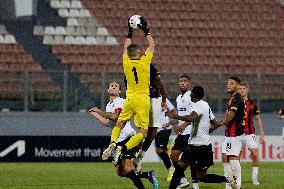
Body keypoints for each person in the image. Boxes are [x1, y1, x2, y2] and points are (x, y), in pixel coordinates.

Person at [89, 81, 158, 189]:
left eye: (116, 86)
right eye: (111, 85)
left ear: (120, 91)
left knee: (126, 167)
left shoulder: (120, 101)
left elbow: (114, 117)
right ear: (108, 90)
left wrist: (98, 111)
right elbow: (110, 123)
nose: (113, 87)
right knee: (120, 172)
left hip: (128, 137)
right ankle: (147, 175)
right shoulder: (109, 105)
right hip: (118, 139)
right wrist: (95, 115)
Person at [167, 86, 227, 189]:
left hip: (203, 147)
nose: (190, 94)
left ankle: (228, 180)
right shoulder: (205, 105)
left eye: (191, 94)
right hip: (192, 146)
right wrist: (210, 129)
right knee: (179, 170)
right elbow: (215, 123)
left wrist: (175, 116)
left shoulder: (199, 105)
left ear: (193, 95)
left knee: (202, 177)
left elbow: (192, 118)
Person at [211, 76, 245, 189]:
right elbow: (228, 116)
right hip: (229, 133)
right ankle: (231, 183)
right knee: (225, 157)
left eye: (231, 83)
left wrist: (217, 125)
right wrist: (216, 126)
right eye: (228, 83)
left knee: (233, 158)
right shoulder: (232, 98)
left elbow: (231, 116)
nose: (228, 85)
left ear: (237, 86)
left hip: (235, 134)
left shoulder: (237, 98)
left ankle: (237, 185)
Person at [132, 64, 168, 172]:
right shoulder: (133, 68)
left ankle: (138, 158)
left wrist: (164, 100)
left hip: (152, 99)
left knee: (151, 131)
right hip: (145, 99)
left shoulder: (149, 66)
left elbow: (159, 82)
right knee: (146, 131)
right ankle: (136, 157)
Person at [238, 81, 265, 185]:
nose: (241, 90)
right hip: (237, 134)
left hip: (250, 133)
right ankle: (238, 179)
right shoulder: (234, 102)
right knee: (237, 157)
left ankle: (254, 178)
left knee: (254, 154)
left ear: (247, 90)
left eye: (243, 89)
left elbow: (257, 118)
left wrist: (262, 134)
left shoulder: (252, 103)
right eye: (240, 89)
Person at [170, 74, 194, 188]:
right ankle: (183, 179)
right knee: (174, 155)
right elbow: (177, 114)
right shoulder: (178, 98)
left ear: (189, 83)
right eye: (180, 81)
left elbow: (194, 114)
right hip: (182, 132)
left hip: (191, 132)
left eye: (184, 81)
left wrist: (184, 125)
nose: (182, 83)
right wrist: (174, 124)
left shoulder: (191, 96)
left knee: (189, 160)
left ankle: (195, 182)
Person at [155, 98, 177, 181]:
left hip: (164, 128)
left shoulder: (162, 98)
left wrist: (173, 121)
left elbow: (173, 109)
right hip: (155, 129)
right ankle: (172, 171)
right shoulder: (146, 98)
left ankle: (171, 170)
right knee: (162, 150)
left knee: (159, 150)